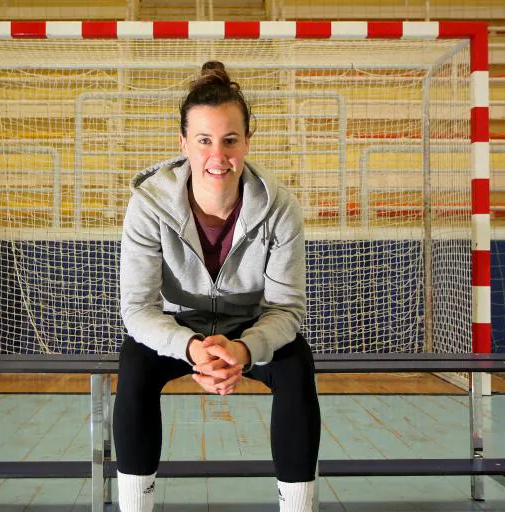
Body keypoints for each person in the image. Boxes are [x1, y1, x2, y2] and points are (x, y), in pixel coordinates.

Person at [114, 61, 321, 512]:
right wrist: (191, 348)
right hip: (179, 328)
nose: (218, 155)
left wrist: (244, 350)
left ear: (247, 141)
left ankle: (299, 506)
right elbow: (137, 309)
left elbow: (287, 308)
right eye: (204, 140)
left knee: (295, 363)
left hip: (249, 328)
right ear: (183, 143)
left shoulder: (280, 207)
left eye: (230, 140)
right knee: (134, 361)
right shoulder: (148, 204)